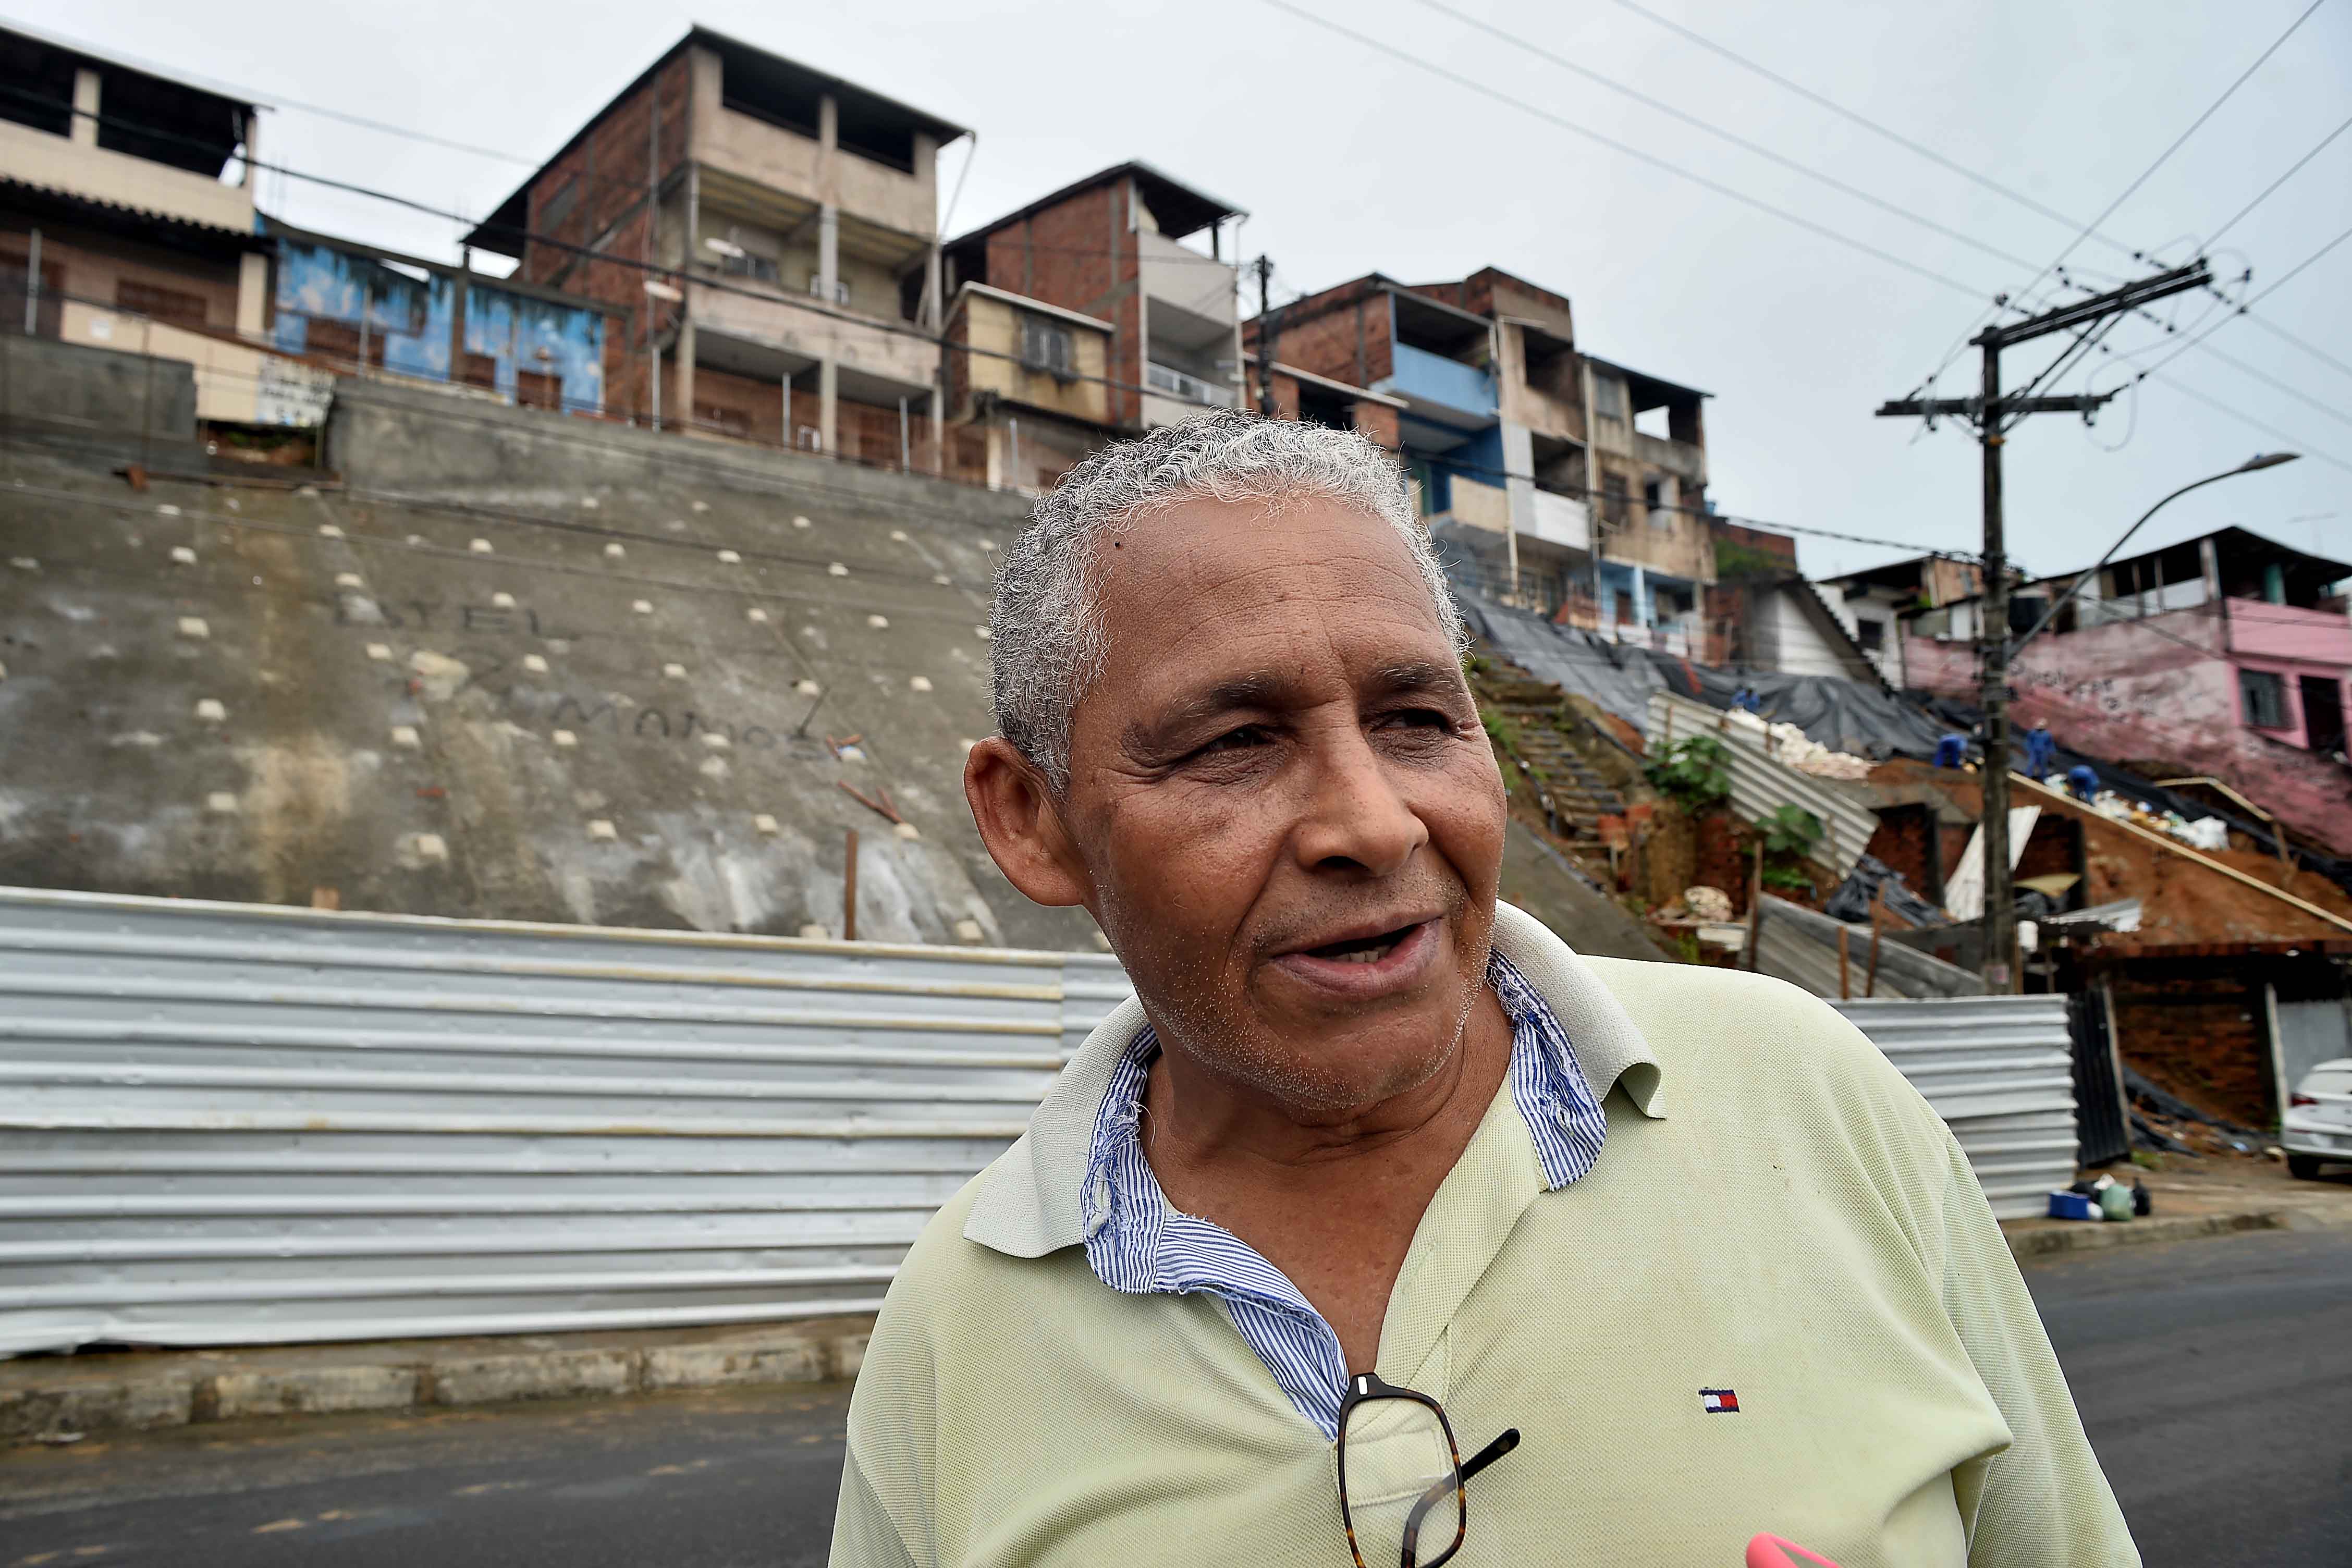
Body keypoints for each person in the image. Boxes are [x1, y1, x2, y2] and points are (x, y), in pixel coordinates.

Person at [830, 414, 2136, 1568]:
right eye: (1236, 743)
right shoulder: (960, 1320)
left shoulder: (1808, 1096)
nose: (1373, 822)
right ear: (1031, 820)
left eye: (1415, 720)